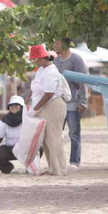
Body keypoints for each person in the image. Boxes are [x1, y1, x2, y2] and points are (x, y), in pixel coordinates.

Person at [28, 44, 67, 176]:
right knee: (45, 139)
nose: (34, 62)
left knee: (54, 137)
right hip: (42, 105)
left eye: (35, 59)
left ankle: (59, 169)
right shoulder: (41, 70)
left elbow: (48, 94)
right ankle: (52, 168)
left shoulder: (51, 71)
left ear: (42, 58)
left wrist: (35, 109)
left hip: (53, 105)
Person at [53, 38, 88, 169]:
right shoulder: (55, 61)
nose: (54, 45)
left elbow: (83, 81)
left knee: (74, 134)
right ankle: (58, 161)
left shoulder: (76, 60)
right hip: (58, 104)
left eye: (56, 42)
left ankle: (74, 161)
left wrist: (83, 102)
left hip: (73, 103)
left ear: (64, 44)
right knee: (56, 134)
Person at [0, 96, 25, 174]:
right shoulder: (4, 121)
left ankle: (30, 166)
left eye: (16, 104)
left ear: (21, 106)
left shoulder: (28, 119)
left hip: (25, 149)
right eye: (11, 105)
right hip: (10, 149)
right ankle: (8, 168)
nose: (13, 106)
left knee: (39, 149)